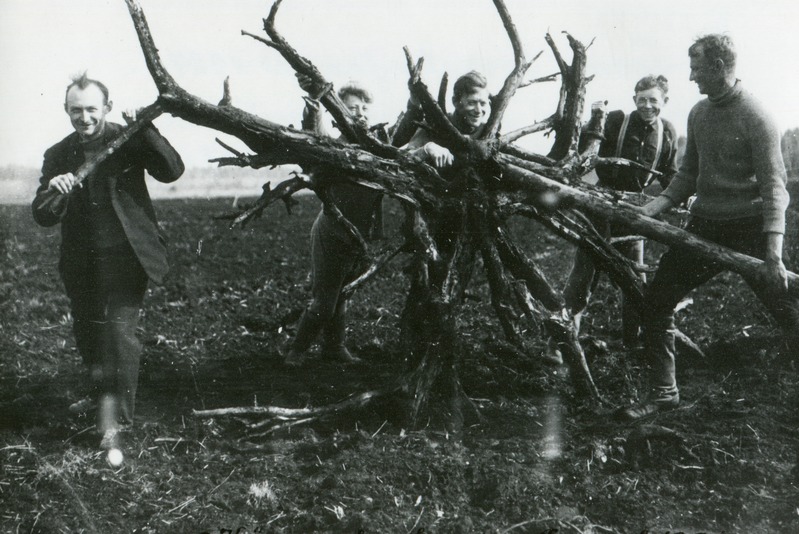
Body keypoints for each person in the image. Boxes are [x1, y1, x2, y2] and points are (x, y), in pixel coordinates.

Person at [619, 35, 798, 420]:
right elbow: (687, 176)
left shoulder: (758, 116)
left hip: (750, 231)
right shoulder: (699, 113)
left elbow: (774, 188)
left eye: (696, 69)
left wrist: (772, 255)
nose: (690, 77)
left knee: (787, 312)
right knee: (658, 301)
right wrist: (652, 208)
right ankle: (664, 392)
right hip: (704, 226)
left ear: (718, 68)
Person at [32, 73, 185, 453]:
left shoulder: (128, 138)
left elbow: (172, 170)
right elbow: (42, 215)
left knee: (119, 335)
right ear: (66, 110)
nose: (83, 118)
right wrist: (56, 190)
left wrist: (145, 128)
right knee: (88, 333)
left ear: (107, 108)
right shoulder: (58, 154)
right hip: (82, 261)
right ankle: (102, 397)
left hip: (127, 258)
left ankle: (119, 421)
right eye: (75, 110)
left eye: (90, 109)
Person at [283, 79, 421, 367]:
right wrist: (314, 108)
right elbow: (315, 131)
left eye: (364, 107)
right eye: (352, 107)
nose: (360, 113)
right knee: (324, 301)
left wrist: (414, 100)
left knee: (343, 294)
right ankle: (296, 352)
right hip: (332, 232)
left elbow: (406, 127)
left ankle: (335, 348)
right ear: (339, 112)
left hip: (361, 234)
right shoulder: (334, 146)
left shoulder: (378, 142)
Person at [552, 75, 679, 358]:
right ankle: (561, 345)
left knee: (634, 281)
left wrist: (684, 197)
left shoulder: (667, 132)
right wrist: (594, 118)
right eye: (642, 99)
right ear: (634, 99)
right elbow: (586, 147)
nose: (647, 106)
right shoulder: (618, 120)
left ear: (664, 102)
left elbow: (670, 174)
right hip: (599, 209)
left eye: (653, 100)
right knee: (583, 278)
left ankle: (632, 345)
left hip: (634, 214)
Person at [405, 70, 491, 166]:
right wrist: (427, 149)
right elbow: (404, 156)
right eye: (471, 103)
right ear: (455, 102)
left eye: (483, 104)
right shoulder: (434, 124)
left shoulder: (488, 132)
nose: (478, 110)